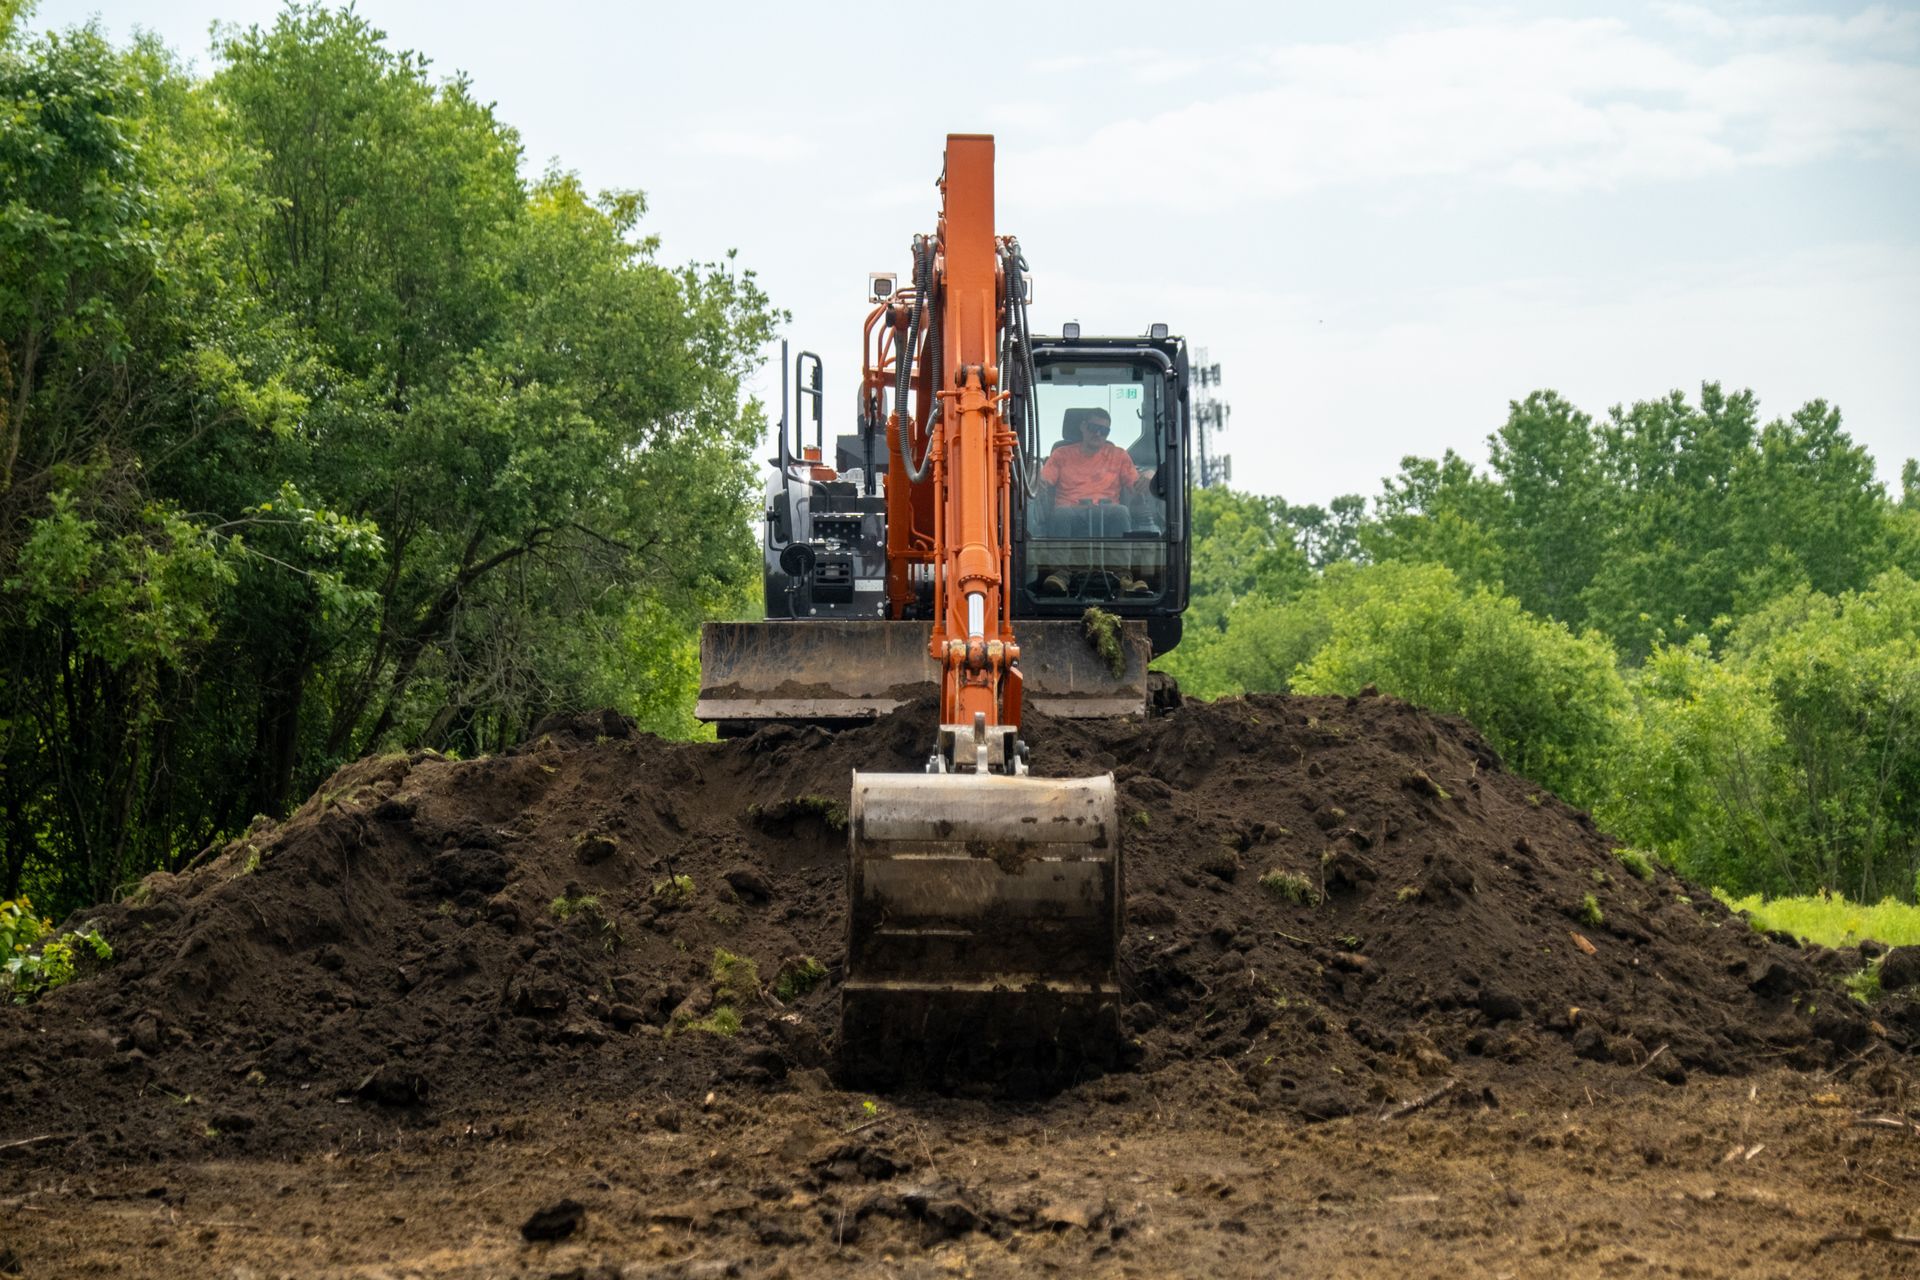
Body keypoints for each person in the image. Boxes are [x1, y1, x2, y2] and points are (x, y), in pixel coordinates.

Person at [1039, 409, 1143, 511]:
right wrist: (1035, 477)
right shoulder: (1061, 454)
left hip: (1108, 514)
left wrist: (1149, 479)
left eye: (1104, 431)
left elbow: (1136, 488)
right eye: (1093, 428)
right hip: (1069, 513)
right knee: (1062, 514)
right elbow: (1042, 484)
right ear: (1083, 426)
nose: (1098, 434)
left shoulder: (1119, 455)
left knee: (1121, 512)